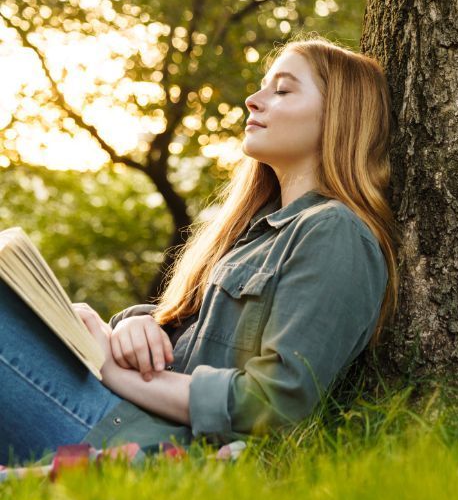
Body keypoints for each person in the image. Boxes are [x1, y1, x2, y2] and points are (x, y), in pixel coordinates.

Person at [0, 33, 400, 466]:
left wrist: (113, 371)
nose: (253, 99)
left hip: (146, 440)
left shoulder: (333, 232)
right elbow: (192, 341)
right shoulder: (252, 232)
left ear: (338, 116)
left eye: (282, 90)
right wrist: (138, 327)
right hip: (120, 414)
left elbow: (274, 403)